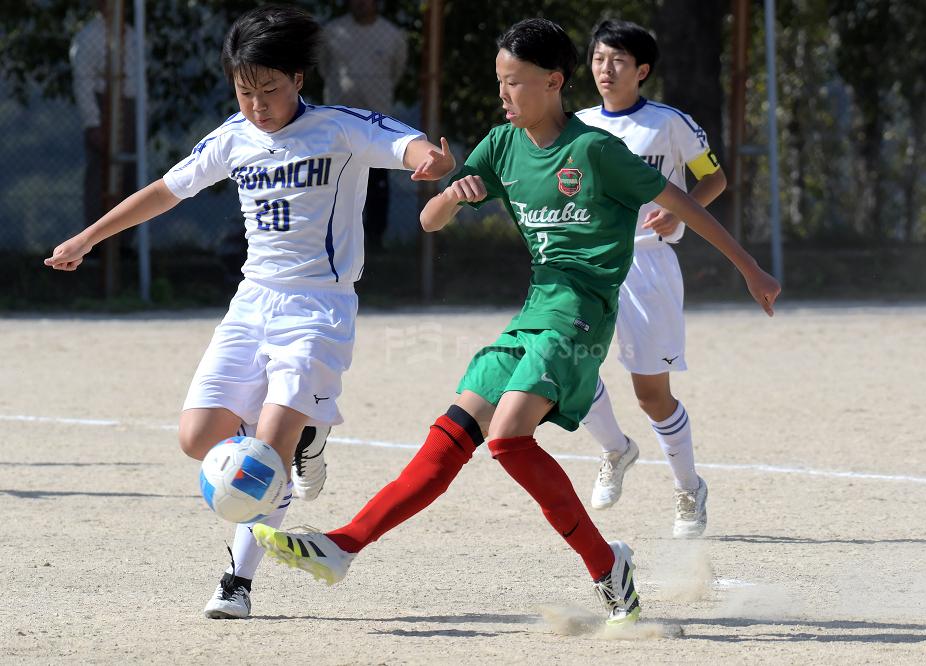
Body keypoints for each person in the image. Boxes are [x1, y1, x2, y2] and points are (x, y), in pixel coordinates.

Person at [252, 18, 780, 625]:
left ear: (554, 82)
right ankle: (345, 545)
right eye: (499, 81)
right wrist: (453, 193)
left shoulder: (596, 151)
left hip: (581, 314)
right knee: (452, 432)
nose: (502, 95)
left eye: (513, 83)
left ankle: (605, 565)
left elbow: (683, 200)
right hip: (534, 313)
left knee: (506, 438)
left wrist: (750, 268)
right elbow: (429, 222)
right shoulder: (501, 145)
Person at [45, 5, 454, 621]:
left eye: (270, 89)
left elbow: (405, 143)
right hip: (252, 302)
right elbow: (164, 190)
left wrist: (432, 160)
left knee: (265, 453)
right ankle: (303, 439)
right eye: (245, 90)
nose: (258, 103)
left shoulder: (339, 129)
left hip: (319, 306)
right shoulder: (233, 137)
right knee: (197, 438)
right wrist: (87, 238)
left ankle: (237, 580)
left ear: (298, 80)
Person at [575, 20, 728, 538]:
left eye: (617, 60)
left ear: (641, 70)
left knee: (651, 395)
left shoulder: (670, 123)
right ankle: (616, 450)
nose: (605, 69)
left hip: (647, 266)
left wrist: (682, 213)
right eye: (598, 58)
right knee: (565, 370)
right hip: (586, 266)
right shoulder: (574, 126)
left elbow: (714, 177)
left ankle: (689, 489)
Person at [318, 0, 408, 252]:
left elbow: (396, 71)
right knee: (336, 178)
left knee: (377, 181)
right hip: (339, 123)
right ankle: (335, 237)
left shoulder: (392, 35)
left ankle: (375, 239)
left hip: (376, 124)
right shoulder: (332, 32)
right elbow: (325, 68)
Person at [69, 1, 138, 234]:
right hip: (103, 103)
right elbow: (83, 82)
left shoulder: (132, 35)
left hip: (129, 105)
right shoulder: (88, 36)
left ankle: (124, 241)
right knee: (100, 173)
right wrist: (92, 122)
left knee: (129, 171)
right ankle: (93, 240)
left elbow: (139, 80)